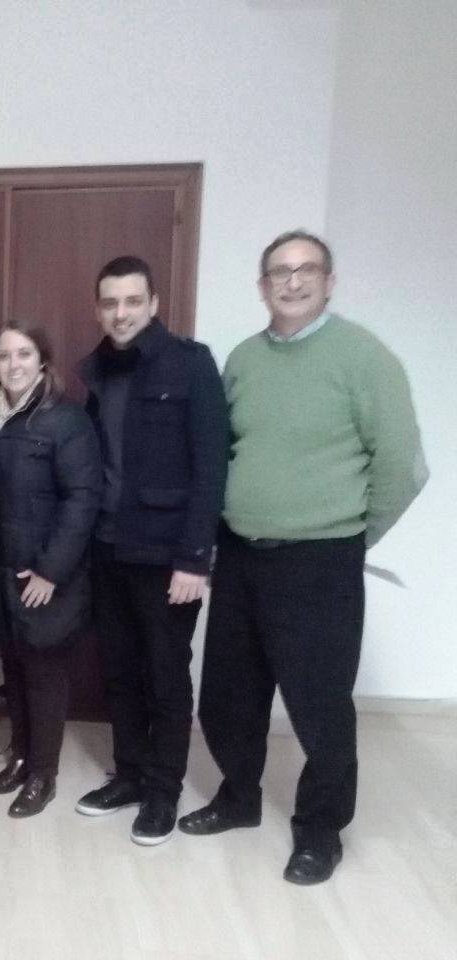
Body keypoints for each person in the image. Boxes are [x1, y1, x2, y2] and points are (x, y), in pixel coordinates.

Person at [179, 230, 427, 885]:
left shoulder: (364, 358)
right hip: (241, 555)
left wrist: (349, 538)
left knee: (319, 705)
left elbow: (402, 466)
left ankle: (320, 832)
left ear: (329, 280)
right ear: (262, 286)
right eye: (279, 272)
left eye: (305, 269)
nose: (292, 282)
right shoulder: (244, 360)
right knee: (228, 695)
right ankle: (238, 798)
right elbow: (224, 452)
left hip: (321, 561)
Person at [75, 255, 229, 845]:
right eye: (110, 302)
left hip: (167, 557)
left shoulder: (191, 364)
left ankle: (163, 792)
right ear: (98, 309)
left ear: (155, 304)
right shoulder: (98, 371)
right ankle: (129, 776)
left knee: (165, 677)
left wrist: (195, 559)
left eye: (133, 301)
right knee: (118, 672)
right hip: (107, 548)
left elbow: (211, 467)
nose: (121, 313)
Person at [0, 321, 102, 817]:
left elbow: (82, 499)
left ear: (43, 360)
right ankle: (20, 758)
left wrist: (50, 571)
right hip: (0, 572)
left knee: (45, 675)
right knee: (14, 669)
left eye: (24, 354)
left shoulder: (65, 420)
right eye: (4, 355)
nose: (13, 364)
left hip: (44, 577)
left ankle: (43, 775)